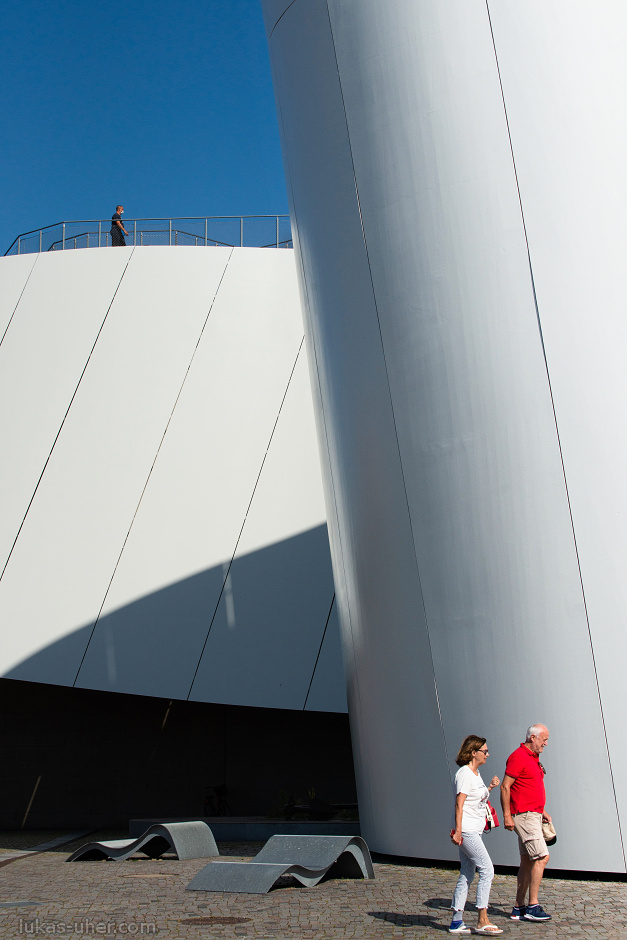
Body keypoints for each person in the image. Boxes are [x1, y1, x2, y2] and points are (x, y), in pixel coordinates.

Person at [449, 735, 503, 935]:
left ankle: (456, 921)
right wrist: (458, 831)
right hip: (467, 830)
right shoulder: (464, 773)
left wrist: (490, 788)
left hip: (474, 830)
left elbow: (476, 800)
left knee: (467, 872)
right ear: (473, 753)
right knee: (487, 869)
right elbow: (460, 804)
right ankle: (482, 919)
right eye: (484, 751)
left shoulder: (476, 773)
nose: (488, 754)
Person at [500, 724, 552, 922]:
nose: (546, 744)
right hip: (524, 816)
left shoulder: (533, 758)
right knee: (542, 857)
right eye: (544, 739)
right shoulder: (519, 756)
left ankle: (519, 907)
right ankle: (533, 906)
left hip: (533, 814)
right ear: (533, 737)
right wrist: (507, 815)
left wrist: (542, 810)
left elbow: (529, 785)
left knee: (527, 861)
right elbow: (505, 787)